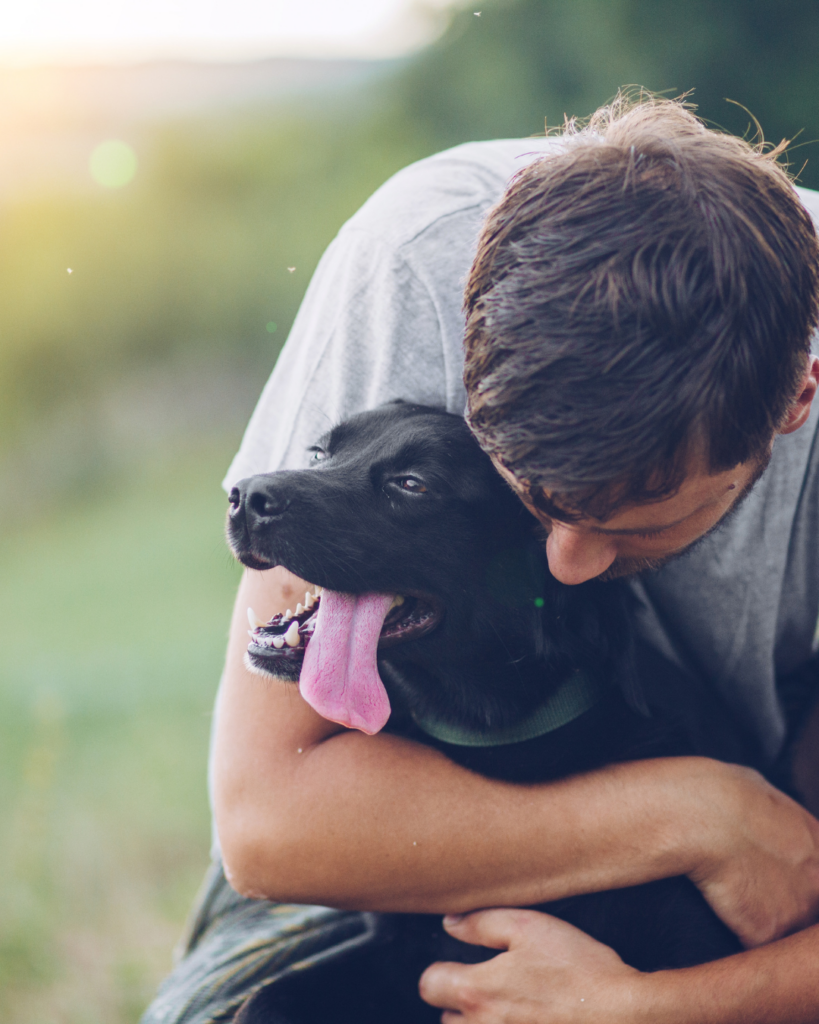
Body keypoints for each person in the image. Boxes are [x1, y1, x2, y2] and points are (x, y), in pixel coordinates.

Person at [142, 94, 819, 1024]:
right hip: (415, 836)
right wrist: (696, 815)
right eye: (532, 493)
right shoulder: (419, 261)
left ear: (794, 401)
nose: (571, 561)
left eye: (638, 519)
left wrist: (644, 1009)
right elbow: (273, 825)